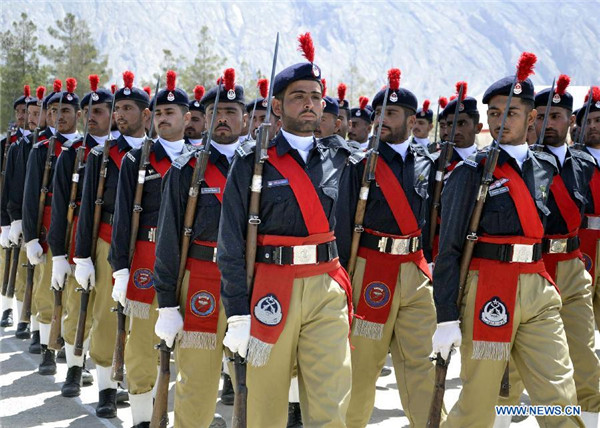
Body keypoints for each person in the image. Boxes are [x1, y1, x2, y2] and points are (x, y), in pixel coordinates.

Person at [432, 71, 583, 427]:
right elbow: (449, 249)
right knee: (479, 403)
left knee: (560, 394)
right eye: (495, 114)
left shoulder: (545, 167)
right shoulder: (470, 173)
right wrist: (445, 316)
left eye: (511, 113)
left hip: (537, 288)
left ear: (531, 117)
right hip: (489, 289)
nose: (501, 121)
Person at [217, 33, 353, 427]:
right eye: (298, 95)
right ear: (277, 106)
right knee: (266, 405)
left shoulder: (342, 159)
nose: (308, 102)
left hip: (326, 287)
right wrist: (238, 312)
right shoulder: (251, 162)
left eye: (315, 95)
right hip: (272, 287)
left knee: (330, 399)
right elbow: (230, 243)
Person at [494, 76, 600, 427]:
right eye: (541, 116)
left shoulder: (584, 164)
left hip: (570, 266)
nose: (546, 124)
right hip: (533, 267)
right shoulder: (521, 164)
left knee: (584, 360)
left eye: (556, 117)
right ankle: (503, 419)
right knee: (512, 371)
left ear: (571, 121)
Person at [337, 68, 439, 428]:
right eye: (378, 113)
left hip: (415, 271)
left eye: (390, 114)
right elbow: (342, 228)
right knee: (362, 369)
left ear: (412, 121)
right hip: (370, 271)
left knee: (422, 366)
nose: (381, 119)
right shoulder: (358, 164)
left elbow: (431, 224)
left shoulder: (430, 164)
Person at [153, 68, 243, 428]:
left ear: (246, 118)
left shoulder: (263, 167)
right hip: (201, 280)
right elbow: (168, 239)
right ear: (204, 119)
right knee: (196, 382)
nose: (223, 118)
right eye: (216, 112)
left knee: (257, 382)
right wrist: (167, 304)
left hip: (251, 283)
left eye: (231, 112)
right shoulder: (184, 168)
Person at [73, 70, 149, 418]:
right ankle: (105, 388)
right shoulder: (103, 155)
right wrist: (82, 256)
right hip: (106, 243)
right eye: (117, 108)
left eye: (128, 109)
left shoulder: (160, 153)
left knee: (143, 322)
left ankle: (140, 395)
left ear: (145, 115)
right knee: (106, 318)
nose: (119, 115)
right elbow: (87, 208)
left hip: (148, 249)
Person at [49, 74, 112, 397]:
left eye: (100, 111)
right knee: (79, 304)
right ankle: (74, 366)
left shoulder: (122, 153)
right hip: (79, 235)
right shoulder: (73, 152)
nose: (93, 117)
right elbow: (60, 205)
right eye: (89, 112)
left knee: (108, 310)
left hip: (112, 237)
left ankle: (109, 378)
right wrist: (59, 253)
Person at [23, 78, 81, 376]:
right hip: (48, 224)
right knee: (49, 291)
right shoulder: (42, 148)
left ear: (77, 114)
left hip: (79, 226)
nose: (59, 115)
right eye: (53, 110)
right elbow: (31, 195)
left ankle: (74, 353)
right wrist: (31, 236)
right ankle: (47, 349)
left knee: (77, 293)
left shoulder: (84, 148)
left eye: (66, 110)